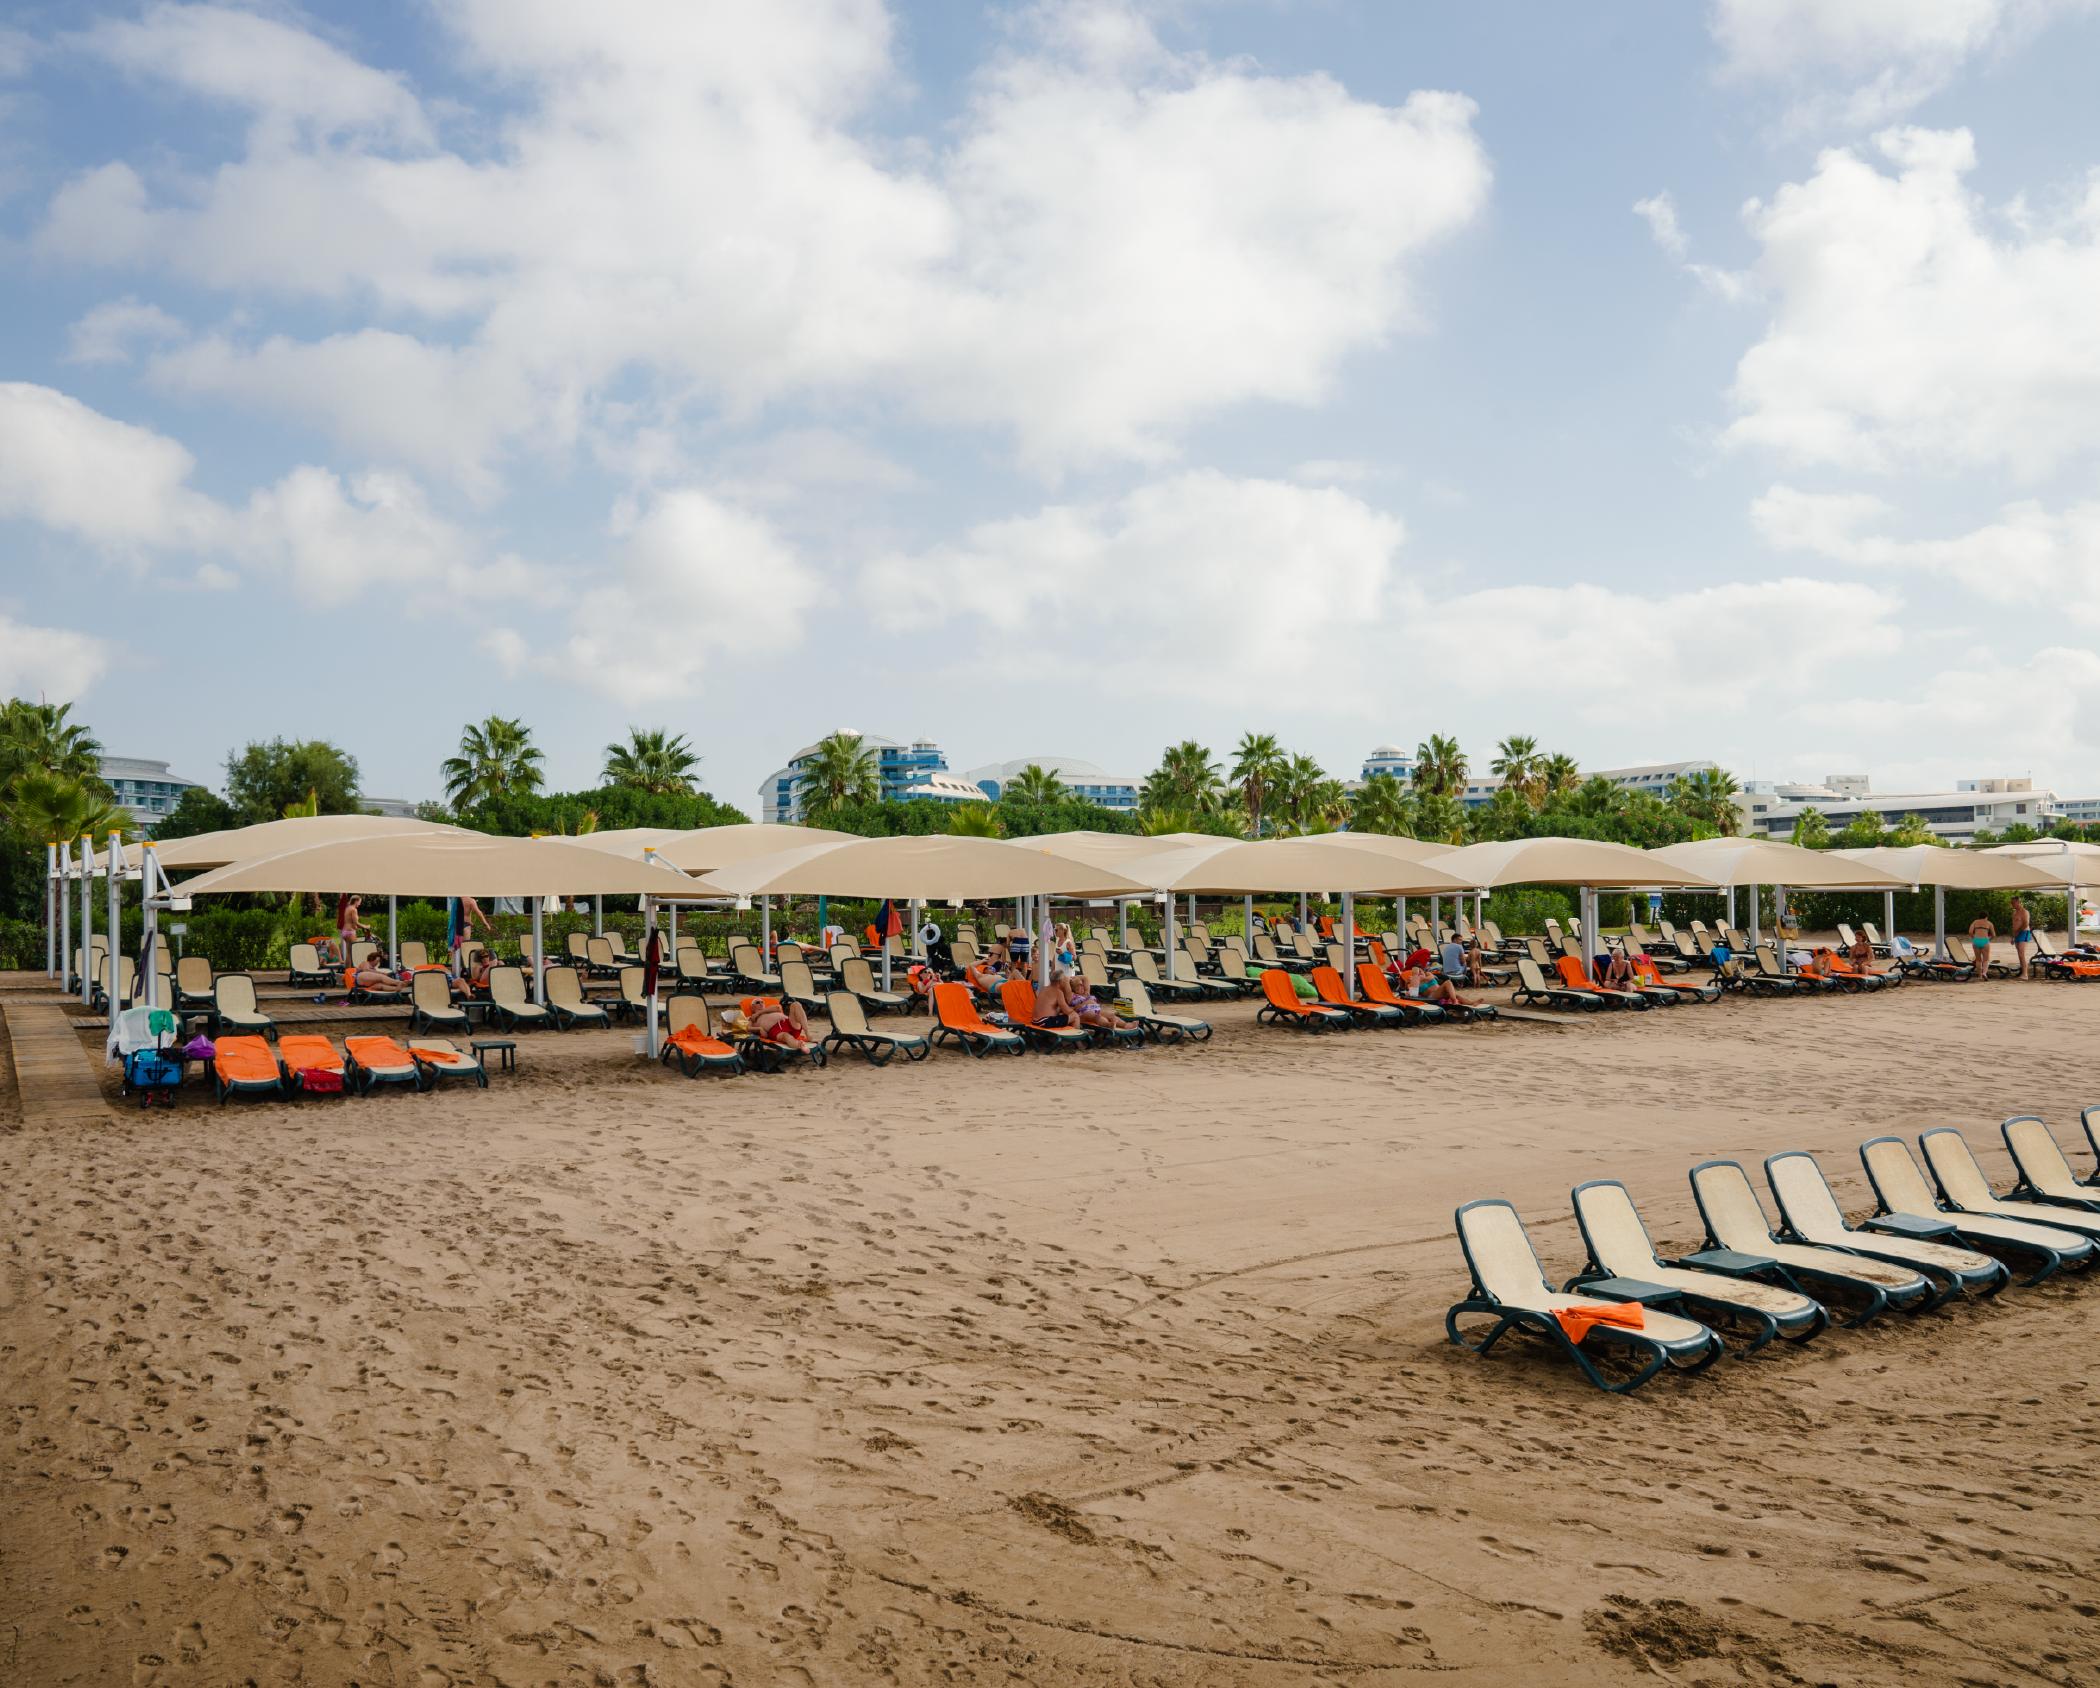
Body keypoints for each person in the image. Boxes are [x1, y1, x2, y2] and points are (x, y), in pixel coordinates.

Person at [743, 995, 813, 1047]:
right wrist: (759, 1028)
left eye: (762, 1002)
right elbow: (748, 1028)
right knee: (786, 1036)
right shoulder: (751, 1018)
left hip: (788, 1022)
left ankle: (807, 1034)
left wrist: (759, 1013)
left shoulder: (769, 1010)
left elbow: (778, 1007)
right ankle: (799, 1045)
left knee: (796, 1004)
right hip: (775, 1030)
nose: (761, 1003)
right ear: (752, 1007)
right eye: (758, 1002)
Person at [1966, 913, 1996, 983]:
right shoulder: (1989, 923)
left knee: (1978, 960)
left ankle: (1980, 976)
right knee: (1986, 959)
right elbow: (1994, 935)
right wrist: (1988, 940)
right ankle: (1984, 973)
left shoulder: (1975, 922)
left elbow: (1970, 932)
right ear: (1986, 917)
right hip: (1985, 940)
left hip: (1976, 940)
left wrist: (1974, 938)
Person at [2010, 896, 2034, 979]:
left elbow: (2026, 924)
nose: (2011, 904)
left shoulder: (2024, 912)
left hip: (2024, 932)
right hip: (2017, 934)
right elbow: (2014, 925)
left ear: (2018, 902)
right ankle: (2023, 972)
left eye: (2013, 903)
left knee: (2021, 953)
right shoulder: (2014, 912)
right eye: (2011, 903)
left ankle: (2025, 974)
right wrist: (2013, 936)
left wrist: (2018, 932)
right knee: (2019, 954)